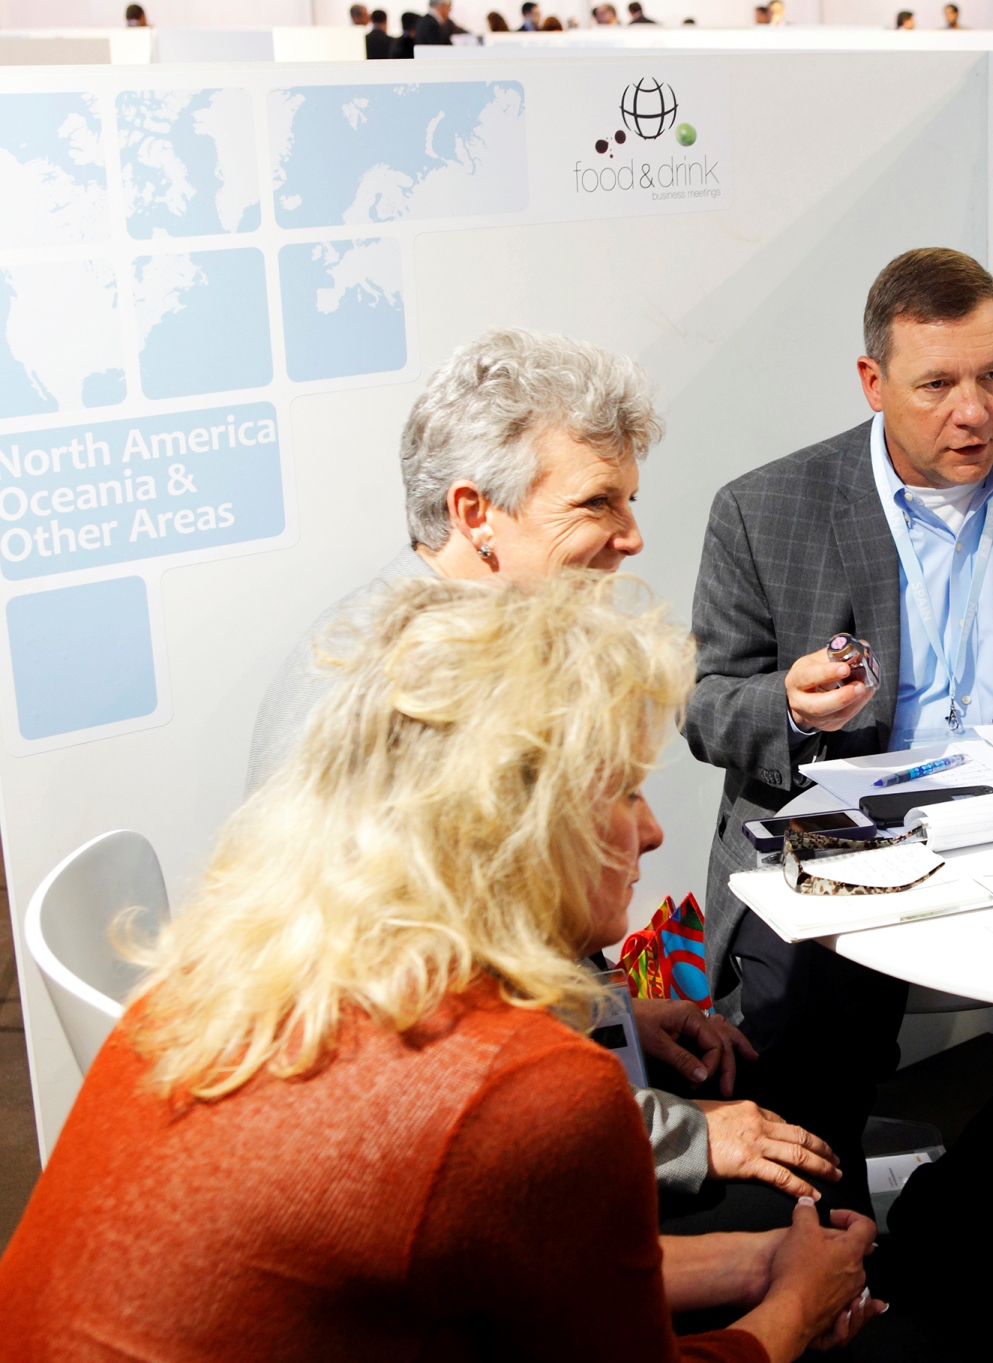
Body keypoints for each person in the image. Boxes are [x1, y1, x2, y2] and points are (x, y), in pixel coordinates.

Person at [0, 575, 885, 1361]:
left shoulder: (217, 978)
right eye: (623, 792)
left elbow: (503, 1269)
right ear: (516, 828)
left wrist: (758, 1263)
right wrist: (793, 1309)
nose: (652, 831)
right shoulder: (530, 1087)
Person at [247, 328, 833, 1218]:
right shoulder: (416, 708)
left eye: (629, 500)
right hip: (425, 1175)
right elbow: (429, 1070)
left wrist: (606, 1013)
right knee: (803, 1205)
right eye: (598, 503)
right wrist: (684, 1136)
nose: (632, 537)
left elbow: (487, 966)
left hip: (491, 1096)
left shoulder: (420, 633)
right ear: (476, 513)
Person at [685, 248, 993, 1214]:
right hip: (846, 833)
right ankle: (823, 1255)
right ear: (873, 383)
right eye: (938, 385)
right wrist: (790, 705)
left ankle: (968, 1239)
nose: (974, 411)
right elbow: (705, 708)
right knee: (805, 1028)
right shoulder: (765, 509)